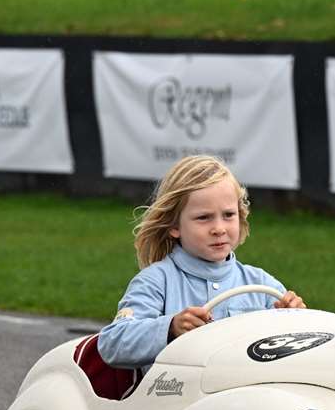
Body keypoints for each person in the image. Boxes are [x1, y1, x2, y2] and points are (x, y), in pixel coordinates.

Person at [97, 156, 304, 375]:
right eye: (204, 217)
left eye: (228, 215)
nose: (219, 228)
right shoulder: (156, 280)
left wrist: (296, 318)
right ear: (174, 226)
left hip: (247, 395)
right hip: (175, 401)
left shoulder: (260, 284)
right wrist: (171, 328)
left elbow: (300, 349)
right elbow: (112, 343)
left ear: (240, 217)